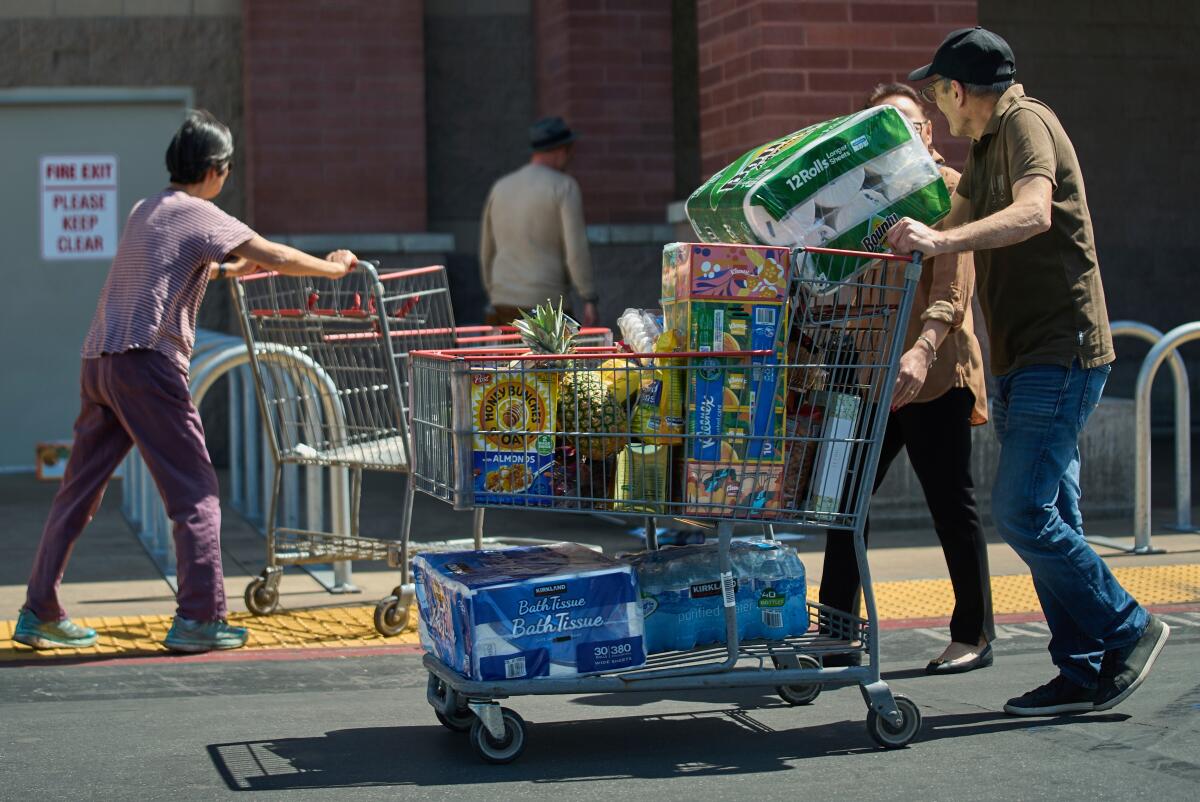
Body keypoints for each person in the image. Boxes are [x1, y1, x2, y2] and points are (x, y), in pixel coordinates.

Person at [889, 27, 1169, 715]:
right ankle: (1080, 670)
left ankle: (1129, 627)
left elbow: (1035, 211)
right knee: (1057, 513)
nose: (938, 110)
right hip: (1023, 356)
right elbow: (942, 218)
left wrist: (944, 239)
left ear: (958, 91)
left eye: (937, 95)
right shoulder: (984, 149)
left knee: (1021, 510)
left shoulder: (1026, 121)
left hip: (1061, 349)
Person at [14, 110, 358, 654]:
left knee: (77, 492)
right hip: (148, 363)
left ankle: (39, 610)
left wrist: (224, 270)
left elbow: (171, 262)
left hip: (100, 359)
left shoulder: (144, 208)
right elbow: (276, 255)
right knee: (195, 493)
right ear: (217, 169)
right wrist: (334, 269)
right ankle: (200, 617)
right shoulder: (203, 213)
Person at [819, 83, 995, 675]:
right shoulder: (860, 204)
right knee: (844, 504)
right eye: (877, 126)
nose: (891, 135)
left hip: (933, 372)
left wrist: (922, 348)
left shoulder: (946, 191)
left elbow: (952, 285)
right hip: (870, 376)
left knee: (950, 505)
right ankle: (836, 633)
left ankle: (973, 634)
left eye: (903, 122)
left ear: (926, 132)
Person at [480, 116, 598, 326]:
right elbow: (576, 252)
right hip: (546, 305)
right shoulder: (564, 186)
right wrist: (588, 297)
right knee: (557, 359)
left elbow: (486, 251)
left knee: (505, 360)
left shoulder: (501, 187)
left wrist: (495, 291)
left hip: (501, 304)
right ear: (561, 150)